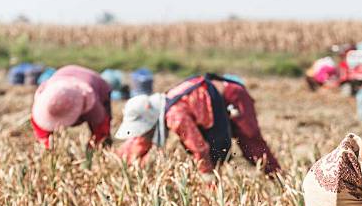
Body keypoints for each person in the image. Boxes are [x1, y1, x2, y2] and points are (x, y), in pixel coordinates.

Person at [115, 73, 281, 177]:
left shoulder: (175, 116)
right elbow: (142, 140)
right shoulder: (167, 105)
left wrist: (207, 178)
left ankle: (278, 178)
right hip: (217, 105)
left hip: (233, 96)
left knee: (250, 141)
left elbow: (199, 148)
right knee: (218, 153)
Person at [31, 65, 111, 148]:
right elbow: (40, 127)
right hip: (64, 75)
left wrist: (96, 146)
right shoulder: (47, 95)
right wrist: (48, 145)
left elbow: (101, 126)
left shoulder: (93, 104)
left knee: (102, 136)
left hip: (96, 83)